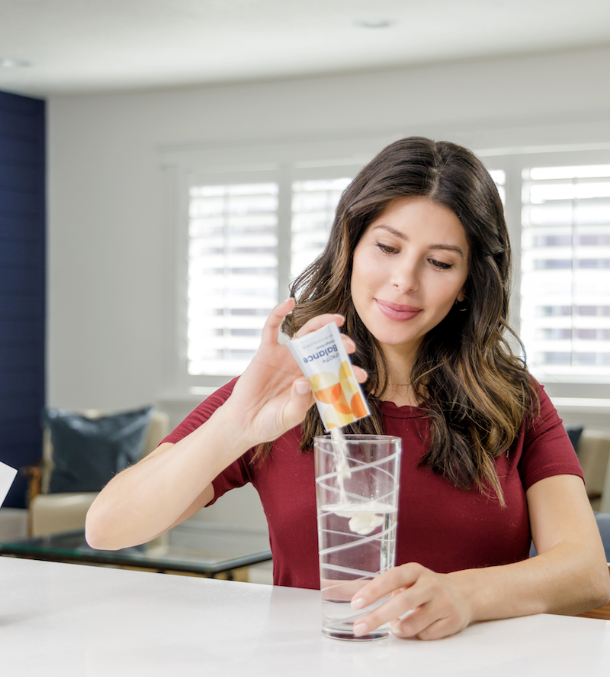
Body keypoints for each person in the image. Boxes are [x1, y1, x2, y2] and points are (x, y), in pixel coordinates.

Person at [86, 137, 610, 640]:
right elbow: (108, 528)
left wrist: (466, 595)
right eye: (387, 247)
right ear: (351, 246)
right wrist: (234, 428)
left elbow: (586, 571)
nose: (404, 280)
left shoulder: (513, 400)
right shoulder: (284, 390)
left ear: (469, 283)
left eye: (440, 262)